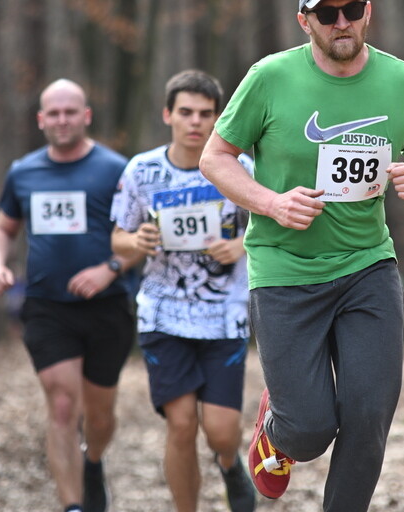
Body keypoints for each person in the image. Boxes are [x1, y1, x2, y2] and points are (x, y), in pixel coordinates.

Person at [199, 0, 404, 512]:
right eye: (327, 13)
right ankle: (278, 426)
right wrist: (270, 202)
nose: (342, 22)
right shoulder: (269, 77)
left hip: (368, 267)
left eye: (352, 10)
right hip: (285, 269)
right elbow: (214, 157)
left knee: (369, 418)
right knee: (311, 427)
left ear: (368, 13)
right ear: (305, 21)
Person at [109, 70, 257, 512]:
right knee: (180, 424)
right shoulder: (142, 170)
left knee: (221, 431)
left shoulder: (242, 168)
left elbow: (268, 225)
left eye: (206, 114)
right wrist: (136, 243)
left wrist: (241, 244)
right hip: (163, 313)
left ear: (218, 119)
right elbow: (118, 236)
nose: (195, 122)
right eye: (186, 112)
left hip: (224, 313)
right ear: (168, 114)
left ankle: (230, 465)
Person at [0, 79, 133, 512]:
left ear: (86, 115)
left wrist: (108, 270)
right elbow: (3, 228)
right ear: (41, 120)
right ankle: (72, 506)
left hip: (107, 308)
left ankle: (94, 459)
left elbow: (142, 237)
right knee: (64, 405)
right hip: (47, 307)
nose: (62, 120)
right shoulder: (24, 172)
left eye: (71, 112)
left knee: (100, 416)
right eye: (54, 113)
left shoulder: (116, 169)